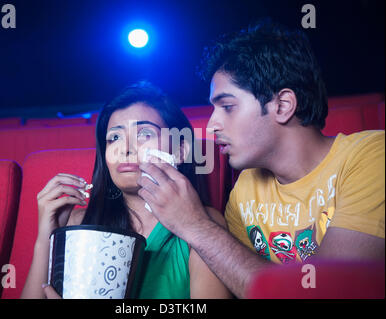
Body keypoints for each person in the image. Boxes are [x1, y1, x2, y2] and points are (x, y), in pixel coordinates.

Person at [136, 21, 385, 298]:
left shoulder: (372, 156)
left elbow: (327, 292)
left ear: (282, 105)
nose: (212, 125)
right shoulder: (247, 187)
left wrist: (194, 224)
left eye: (228, 107)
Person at [21, 81, 232, 299]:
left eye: (144, 134)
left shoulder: (205, 223)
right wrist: (47, 238)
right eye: (114, 137)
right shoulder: (78, 223)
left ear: (180, 150)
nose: (126, 148)